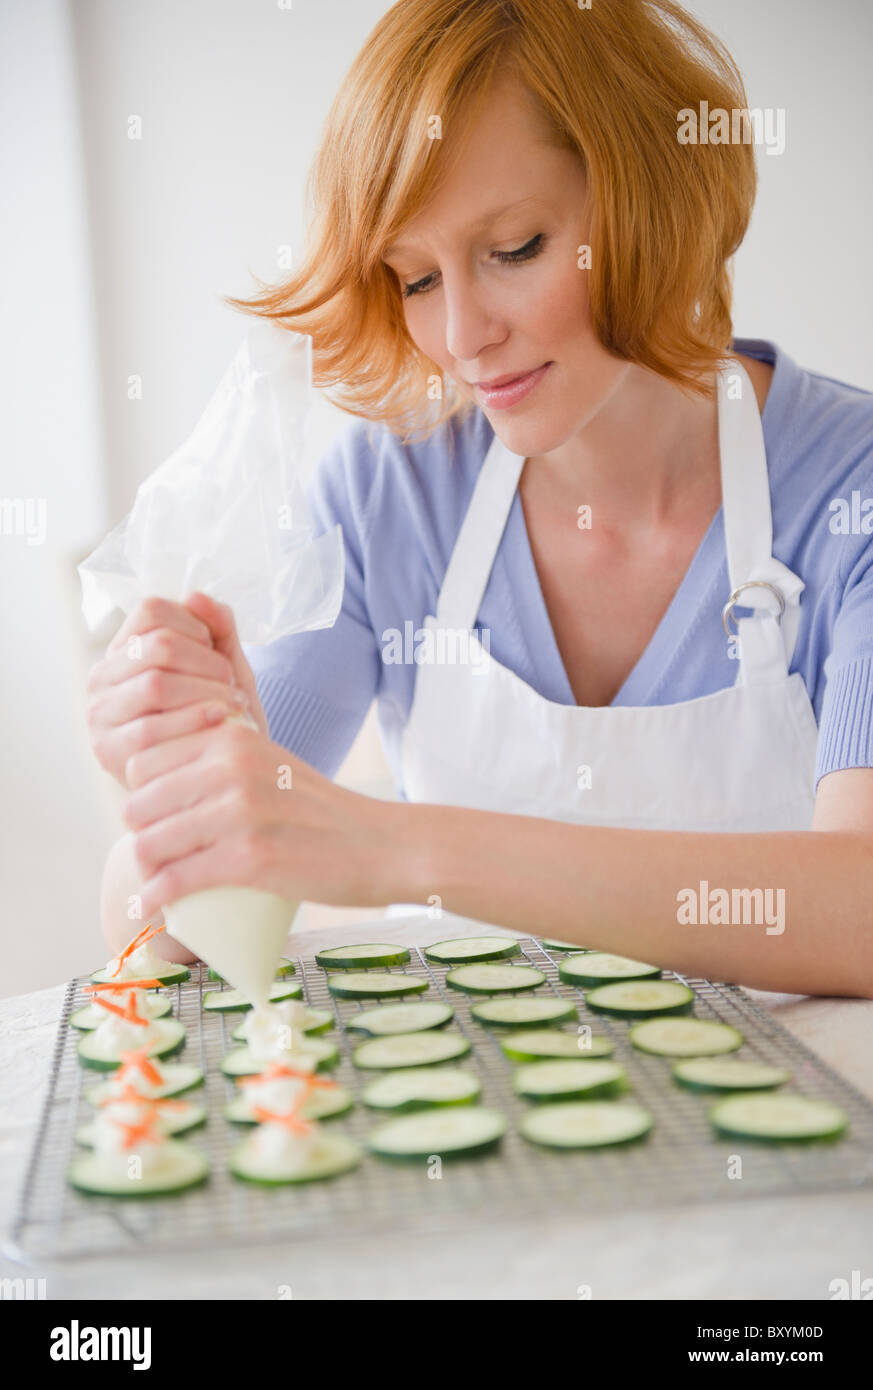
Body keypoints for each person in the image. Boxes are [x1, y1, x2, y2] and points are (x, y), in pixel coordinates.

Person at [87, 0, 873, 996]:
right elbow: (145, 923)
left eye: (514, 249)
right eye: (415, 278)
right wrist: (180, 781)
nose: (461, 335)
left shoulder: (851, 490)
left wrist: (400, 849)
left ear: (652, 200)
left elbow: (862, 907)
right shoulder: (390, 497)